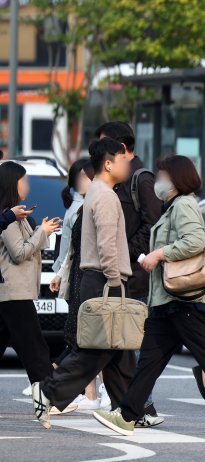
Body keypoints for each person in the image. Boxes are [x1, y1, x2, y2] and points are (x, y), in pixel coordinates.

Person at [92, 155, 205, 437]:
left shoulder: (184, 205)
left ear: (176, 178)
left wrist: (159, 254)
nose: (158, 180)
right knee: (150, 360)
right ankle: (128, 414)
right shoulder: (172, 207)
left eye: (162, 175)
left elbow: (195, 241)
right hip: (168, 301)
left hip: (186, 301)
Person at [33, 138, 136, 429]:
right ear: (108, 163)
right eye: (122, 159)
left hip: (98, 278)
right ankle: (49, 391)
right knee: (98, 350)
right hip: (105, 279)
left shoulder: (98, 193)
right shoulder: (105, 196)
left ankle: (128, 412)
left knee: (119, 351)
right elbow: (106, 245)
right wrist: (115, 282)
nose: (127, 164)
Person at [96, 121, 162, 422]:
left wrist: (126, 252)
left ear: (120, 147)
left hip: (137, 273)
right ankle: (136, 406)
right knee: (122, 343)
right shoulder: (116, 179)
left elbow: (153, 225)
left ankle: (139, 405)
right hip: (123, 272)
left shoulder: (140, 178)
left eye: (103, 143)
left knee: (130, 341)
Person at [0, 162, 61, 418]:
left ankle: (49, 396)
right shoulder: (8, 218)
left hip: (14, 292)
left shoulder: (17, 216)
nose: (27, 185)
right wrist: (43, 232)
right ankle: (50, 397)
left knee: (29, 346)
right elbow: (20, 253)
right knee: (36, 349)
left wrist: (39, 230)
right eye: (23, 180)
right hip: (14, 292)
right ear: (12, 184)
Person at [50, 159, 107, 411]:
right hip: (79, 276)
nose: (85, 182)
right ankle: (91, 393)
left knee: (91, 338)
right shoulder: (78, 209)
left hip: (90, 277)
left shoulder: (96, 205)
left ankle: (94, 393)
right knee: (84, 337)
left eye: (88, 177)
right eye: (81, 178)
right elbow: (70, 251)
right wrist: (60, 273)